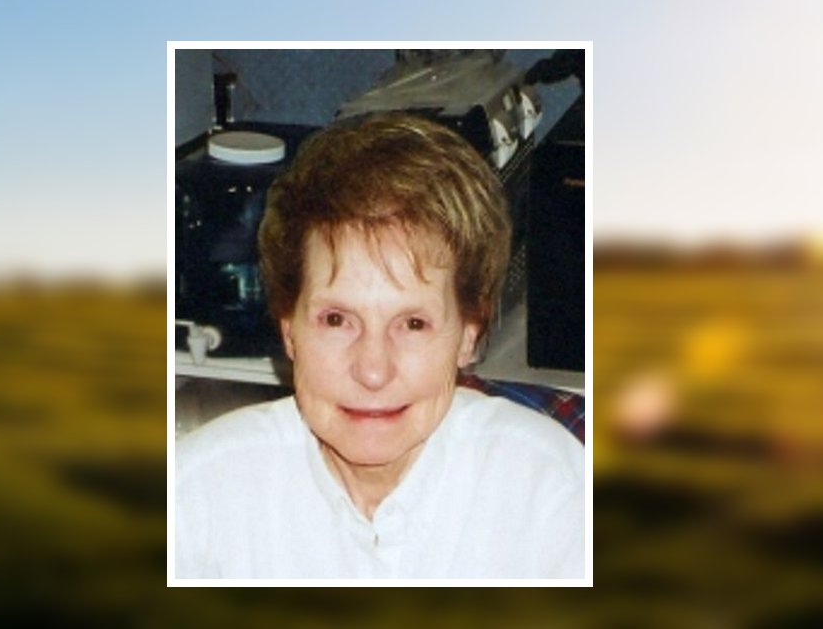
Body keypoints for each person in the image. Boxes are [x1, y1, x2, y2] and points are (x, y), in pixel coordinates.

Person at [174, 113, 585, 578]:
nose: (373, 370)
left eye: (413, 324)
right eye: (336, 320)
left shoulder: (550, 491)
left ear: (468, 335)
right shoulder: (195, 499)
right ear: (289, 329)